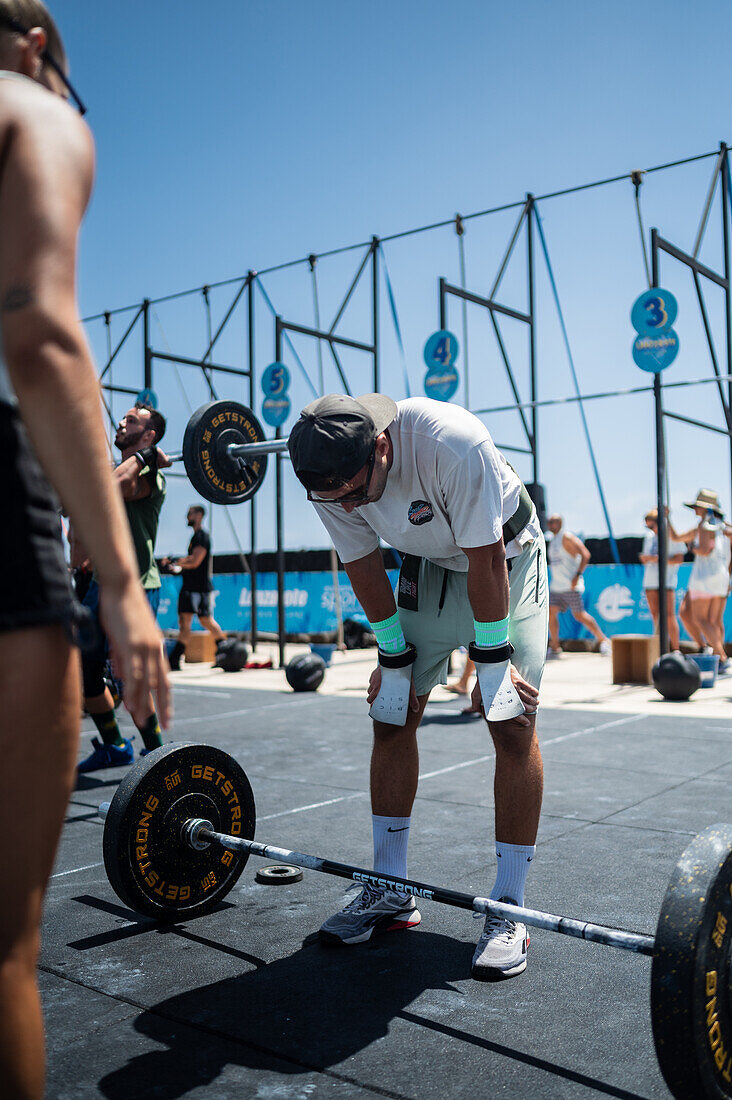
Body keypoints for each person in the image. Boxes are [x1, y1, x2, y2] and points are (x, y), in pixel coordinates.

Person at [0, 6, 170, 1096]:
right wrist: (125, 587)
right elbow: (40, 333)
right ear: (34, 41)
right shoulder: (29, 107)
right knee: (4, 945)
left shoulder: (144, 460)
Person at [288, 393, 547, 981]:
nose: (349, 504)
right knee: (391, 710)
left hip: (505, 556)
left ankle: (509, 906)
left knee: (510, 720)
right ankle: (389, 889)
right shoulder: (326, 477)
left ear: (383, 446)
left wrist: (493, 661)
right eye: (338, 499)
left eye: (357, 492)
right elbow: (360, 563)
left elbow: (485, 559)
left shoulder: (451, 443)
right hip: (424, 567)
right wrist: (392, 654)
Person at [78, 405, 171, 770]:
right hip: (101, 583)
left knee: (130, 683)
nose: (120, 422)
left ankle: (157, 754)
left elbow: (117, 487)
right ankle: (115, 745)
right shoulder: (117, 470)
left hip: (135, 588)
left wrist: (146, 458)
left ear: (149, 436)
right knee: (85, 673)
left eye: (132, 420)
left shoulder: (153, 478)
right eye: (123, 418)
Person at [671, 490, 731, 669]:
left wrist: (692, 547)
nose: (695, 509)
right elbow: (676, 538)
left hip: (704, 578)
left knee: (701, 619)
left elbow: (704, 549)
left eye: (697, 506)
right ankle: (712, 652)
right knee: (713, 620)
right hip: (722, 577)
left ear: (705, 509)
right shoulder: (726, 528)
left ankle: (720, 657)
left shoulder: (704, 525)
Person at [163, 504, 225, 670]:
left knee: (202, 621)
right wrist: (175, 563)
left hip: (197, 588)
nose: (187, 517)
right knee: (188, 623)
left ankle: (225, 651)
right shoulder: (195, 538)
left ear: (199, 515)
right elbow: (190, 559)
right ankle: (175, 660)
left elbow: (195, 561)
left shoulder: (202, 537)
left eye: (190, 513)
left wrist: (177, 563)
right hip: (193, 587)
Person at [546, 514, 609, 656]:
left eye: (553, 522)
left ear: (560, 523)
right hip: (557, 586)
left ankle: (604, 641)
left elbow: (585, 554)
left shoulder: (566, 537)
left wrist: (578, 575)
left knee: (579, 615)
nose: (550, 524)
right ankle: (555, 646)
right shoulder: (553, 540)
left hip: (570, 585)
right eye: (549, 522)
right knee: (551, 613)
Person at [639, 508, 685, 651]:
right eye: (648, 527)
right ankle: (660, 648)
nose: (651, 530)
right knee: (656, 616)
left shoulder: (671, 536)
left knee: (669, 616)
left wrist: (657, 559)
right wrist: (646, 559)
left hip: (667, 580)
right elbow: (646, 557)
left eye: (652, 526)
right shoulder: (649, 537)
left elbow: (679, 558)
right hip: (650, 580)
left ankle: (676, 649)